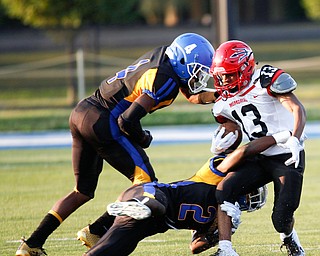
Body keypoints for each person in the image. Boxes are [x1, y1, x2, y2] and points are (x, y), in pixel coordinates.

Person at [15, 33, 216, 256]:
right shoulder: (165, 79)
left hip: (83, 112)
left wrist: (220, 95)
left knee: (82, 191)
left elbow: (191, 95)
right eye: (197, 69)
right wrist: (143, 138)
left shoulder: (164, 59)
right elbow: (127, 120)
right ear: (181, 61)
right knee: (146, 184)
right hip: (104, 121)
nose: (199, 76)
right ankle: (96, 231)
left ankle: (32, 243)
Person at [83, 129, 290, 256]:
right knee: (156, 205)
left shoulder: (225, 214)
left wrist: (215, 237)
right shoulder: (216, 173)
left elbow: (195, 247)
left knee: (113, 250)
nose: (248, 194)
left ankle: (104, 226)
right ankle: (136, 207)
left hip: (155, 224)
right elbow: (243, 152)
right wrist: (279, 137)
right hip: (151, 192)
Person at [209, 40, 307, 256]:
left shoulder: (265, 80)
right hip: (259, 155)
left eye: (230, 74)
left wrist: (295, 138)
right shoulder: (223, 100)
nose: (224, 80)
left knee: (281, 219)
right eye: (221, 75)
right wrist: (223, 138)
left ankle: (290, 238)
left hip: (287, 154)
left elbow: (297, 108)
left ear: (245, 68)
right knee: (224, 189)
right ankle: (226, 249)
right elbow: (231, 125)